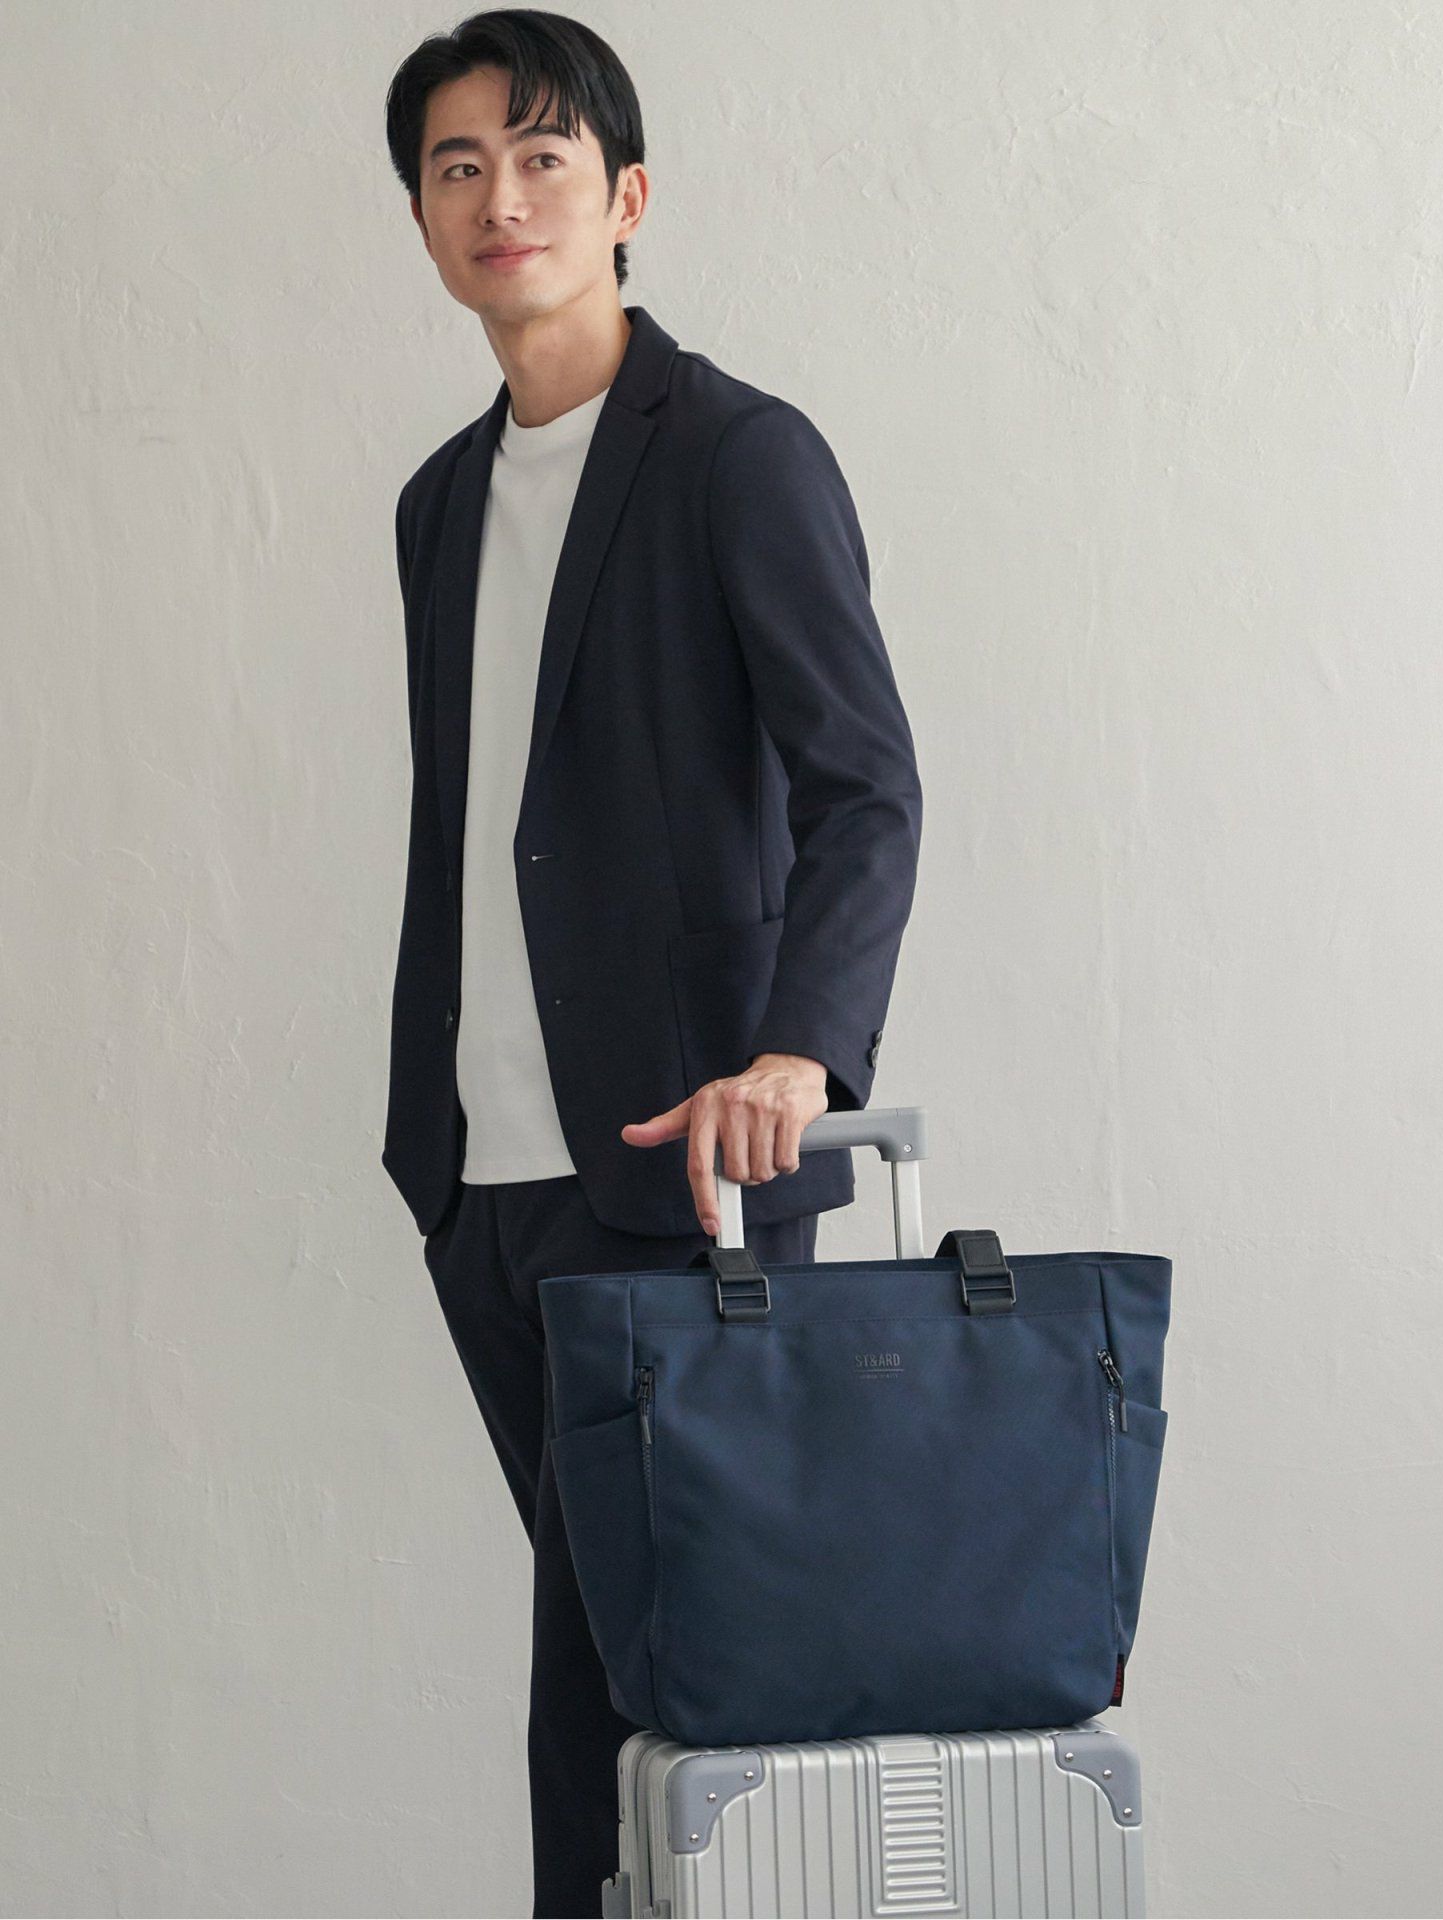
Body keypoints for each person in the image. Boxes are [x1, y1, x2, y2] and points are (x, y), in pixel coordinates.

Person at [380, 11, 922, 1914]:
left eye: (541, 158)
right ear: (424, 221)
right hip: (484, 1184)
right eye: (458, 167)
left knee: (658, 1695)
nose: (499, 198)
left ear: (624, 197)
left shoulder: (738, 457)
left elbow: (867, 787)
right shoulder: (439, 503)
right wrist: (440, 1149)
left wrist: (800, 1054)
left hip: (685, 1171)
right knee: (608, 1674)